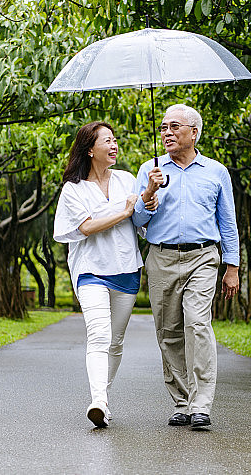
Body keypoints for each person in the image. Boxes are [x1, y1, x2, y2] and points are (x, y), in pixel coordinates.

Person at [132, 104, 240, 430]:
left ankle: (201, 404)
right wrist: (149, 191)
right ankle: (181, 401)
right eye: (163, 127)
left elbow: (228, 223)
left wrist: (232, 266)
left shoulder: (216, 172)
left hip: (203, 257)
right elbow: (137, 220)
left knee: (197, 323)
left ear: (194, 133)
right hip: (161, 256)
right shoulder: (148, 170)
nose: (166, 133)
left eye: (174, 127)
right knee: (168, 332)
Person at [53, 121, 158, 428]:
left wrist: (149, 193)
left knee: (116, 342)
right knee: (99, 334)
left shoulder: (127, 179)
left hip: (126, 268)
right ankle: (98, 400)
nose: (114, 146)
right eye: (107, 141)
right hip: (91, 271)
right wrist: (124, 212)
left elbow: (142, 217)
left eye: (115, 140)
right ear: (90, 149)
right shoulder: (73, 189)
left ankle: (104, 400)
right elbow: (85, 227)